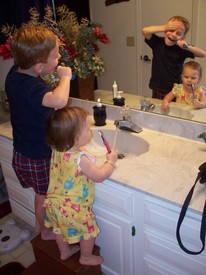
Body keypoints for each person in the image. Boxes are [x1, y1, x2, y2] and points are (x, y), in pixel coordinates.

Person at [5, 25, 72, 240]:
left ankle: (37, 225)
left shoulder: (14, 73)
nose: (59, 57)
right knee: (44, 197)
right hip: (38, 156)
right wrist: (65, 77)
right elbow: (59, 101)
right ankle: (44, 231)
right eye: (55, 55)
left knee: (39, 195)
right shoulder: (33, 89)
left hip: (22, 152)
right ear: (39, 67)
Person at [44, 106, 118, 265]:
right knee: (88, 233)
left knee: (58, 228)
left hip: (53, 203)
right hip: (73, 208)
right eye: (88, 128)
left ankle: (64, 252)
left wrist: (78, 147)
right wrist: (110, 162)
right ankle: (85, 257)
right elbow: (99, 176)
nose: (91, 131)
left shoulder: (57, 149)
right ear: (75, 137)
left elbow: (69, 160)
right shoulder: (80, 159)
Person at [142, 15, 206, 99]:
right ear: (165, 31)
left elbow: (202, 54)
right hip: (157, 87)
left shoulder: (182, 48)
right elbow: (145, 31)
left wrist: (187, 47)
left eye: (178, 33)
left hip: (175, 90)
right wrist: (164, 27)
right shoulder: (157, 43)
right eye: (171, 30)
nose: (173, 34)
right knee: (157, 110)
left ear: (182, 37)